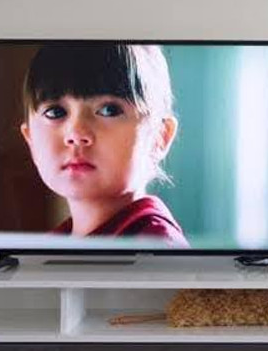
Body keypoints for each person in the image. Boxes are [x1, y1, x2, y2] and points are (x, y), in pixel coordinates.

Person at [19, 42, 188, 247]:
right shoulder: (45, 248)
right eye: (55, 112)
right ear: (30, 140)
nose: (76, 134)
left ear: (160, 137)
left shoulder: (156, 248)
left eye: (109, 110)